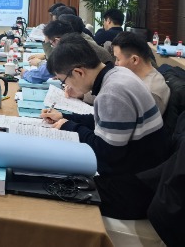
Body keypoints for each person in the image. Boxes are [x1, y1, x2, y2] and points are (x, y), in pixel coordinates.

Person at [42, 33, 170, 219]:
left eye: (64, 81)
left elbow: (107, 152)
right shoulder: (118, 74)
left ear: (78, 72)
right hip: (143, 174)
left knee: (53, 188)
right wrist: (65, 117)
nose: (66, 86)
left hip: (133, 191)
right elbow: (102, 120)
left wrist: (70, 127)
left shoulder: (112, 92)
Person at [111, 32, 171, 114]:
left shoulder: (150, 92)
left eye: (118, 59)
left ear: (134, 60)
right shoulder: (137, 77)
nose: (116, 63)